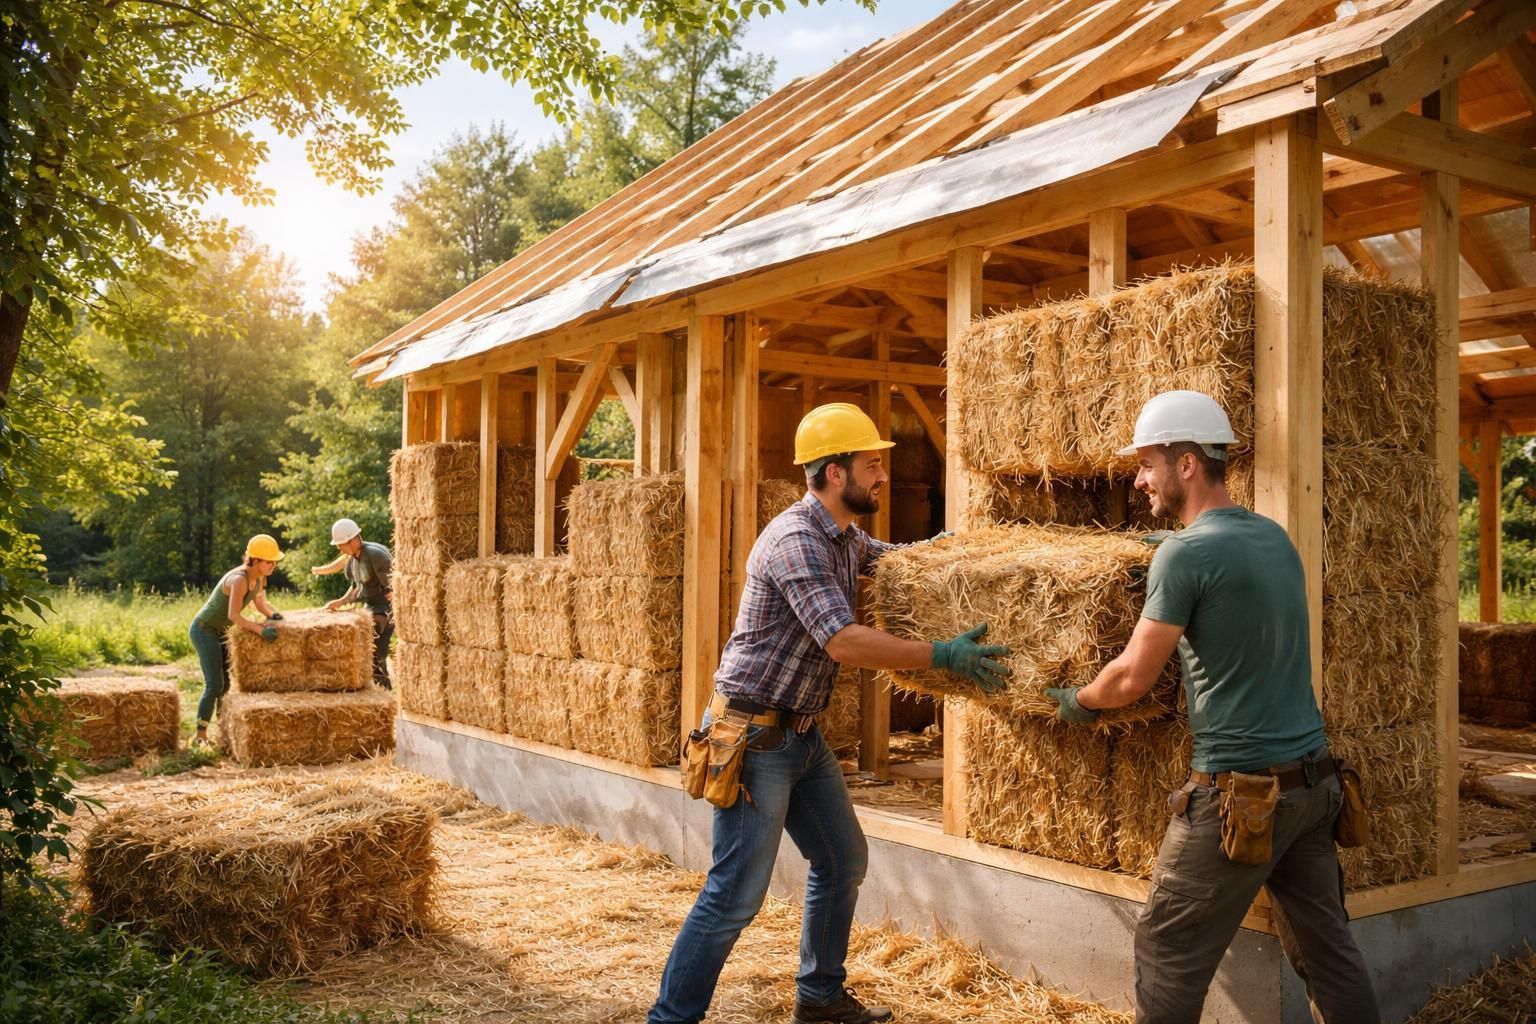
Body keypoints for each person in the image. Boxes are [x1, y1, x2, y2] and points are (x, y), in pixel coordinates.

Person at [647, 403, 1011, 1024]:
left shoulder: (844, 535)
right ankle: (670, 1020)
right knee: (734, 895)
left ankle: (818, 1000)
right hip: (754, 738)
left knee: (843, 861)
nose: (883, 476)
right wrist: (942, 654)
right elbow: (841, 640)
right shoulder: (797, 542)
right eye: (872, 464)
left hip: (800, 736)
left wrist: (951, 553)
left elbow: (892, 559)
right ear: (835, 473)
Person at [1042, 390, 1379, 1024]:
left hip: (1242, 798)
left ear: (1187, 463)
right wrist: (1176, 546)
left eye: (1147, 463)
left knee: (1167, 949)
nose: (1139, 479)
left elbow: (1132, 679)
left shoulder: (1185, 554)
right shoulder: (1272, 537)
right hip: (1314, 787)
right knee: (1328, 953)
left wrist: (1076, 701)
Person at [189, 534, 285, 747]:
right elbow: (234, 616)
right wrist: (260, 630)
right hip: (205, 630)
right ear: (256, 560)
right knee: (214, 685)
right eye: (269, 561)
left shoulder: (258, 578)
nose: (273, 565)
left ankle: (222, 732)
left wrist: (272, 614)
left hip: (220, 631)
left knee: (226, 685)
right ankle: (200, 736)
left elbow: (259, 603)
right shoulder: (239, 579)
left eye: (274, 561)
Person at [312, 517, 394, 689]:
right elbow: (357, 587)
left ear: (352, 540)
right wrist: (340, 602)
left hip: (384, 608)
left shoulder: (376, 555)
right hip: (370, 607)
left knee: (375, 651)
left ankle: (383, 692)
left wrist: (395, 598)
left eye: (341, 544)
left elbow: (395, 585)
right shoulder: (353, 561)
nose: (339, 548)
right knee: (362, 648)